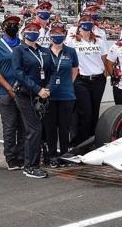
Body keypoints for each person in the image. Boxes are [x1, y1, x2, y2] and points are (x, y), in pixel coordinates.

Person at [12, 17, 53, 178]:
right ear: (23, 32)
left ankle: (32, 162)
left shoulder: (43, 50)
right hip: (25, 94)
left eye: (36, 30)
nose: (33, 32)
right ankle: (30, 165)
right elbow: (18, 73)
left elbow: (51, 71)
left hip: (42, 95)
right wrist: (37, 89)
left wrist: (48, 88)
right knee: (34, 130)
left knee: (36, 129)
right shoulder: (19, 50)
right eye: (30, 29)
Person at [0, 15, 25, 170]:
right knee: (10, 126)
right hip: (5, 91)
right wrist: (9, 88)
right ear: (3, 26)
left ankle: (23, 155)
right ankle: (11, 158)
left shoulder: (22, 44)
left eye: (16, 24)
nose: (13, 26)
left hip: (22, 91)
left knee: (23, 126)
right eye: (10, 24)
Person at [66, 15, 108, 146]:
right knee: (84, 112)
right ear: (79, 24)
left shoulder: (99, 41)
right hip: (80, 80)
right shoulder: (72, 41)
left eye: (90, 21)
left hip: (98, 79)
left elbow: (104, 59)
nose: (87, 23)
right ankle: (78, 142)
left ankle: (92, 140)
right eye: (84, 21)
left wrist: (105, 74)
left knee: (95, 112)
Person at [44, 22, 78, 167]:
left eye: (60, 33)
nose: (57, 35)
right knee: (50, 127)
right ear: (50, 35)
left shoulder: (70, 51)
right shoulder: (44, 52)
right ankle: (51, 155)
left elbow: (75, 69)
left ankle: (64, 154)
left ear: (64, 34)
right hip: (49, 95)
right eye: (54, 33)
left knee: (64, 127)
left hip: (66, 95)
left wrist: (67, 83)